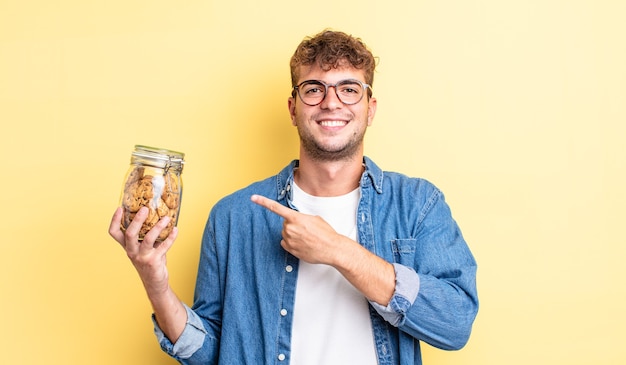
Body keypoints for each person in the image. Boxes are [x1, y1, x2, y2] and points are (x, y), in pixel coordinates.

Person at [109, 29, 478, 365]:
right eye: (314, 88)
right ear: (293, 108)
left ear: (370, 109)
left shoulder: (417, 204)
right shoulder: (234, 216)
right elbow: (212, 353)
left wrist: (338, 250)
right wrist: (155, 285)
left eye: (349, 88)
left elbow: (455, 323)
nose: (331, 102)